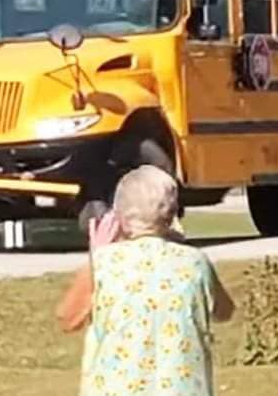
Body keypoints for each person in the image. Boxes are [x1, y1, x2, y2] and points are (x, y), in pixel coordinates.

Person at [56, 165, 235, 396]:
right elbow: (224, 311)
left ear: (119, 214)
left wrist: (95, 254)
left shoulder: (103, 264)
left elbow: (68, 318)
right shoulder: (195, 263)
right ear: (171, 212)